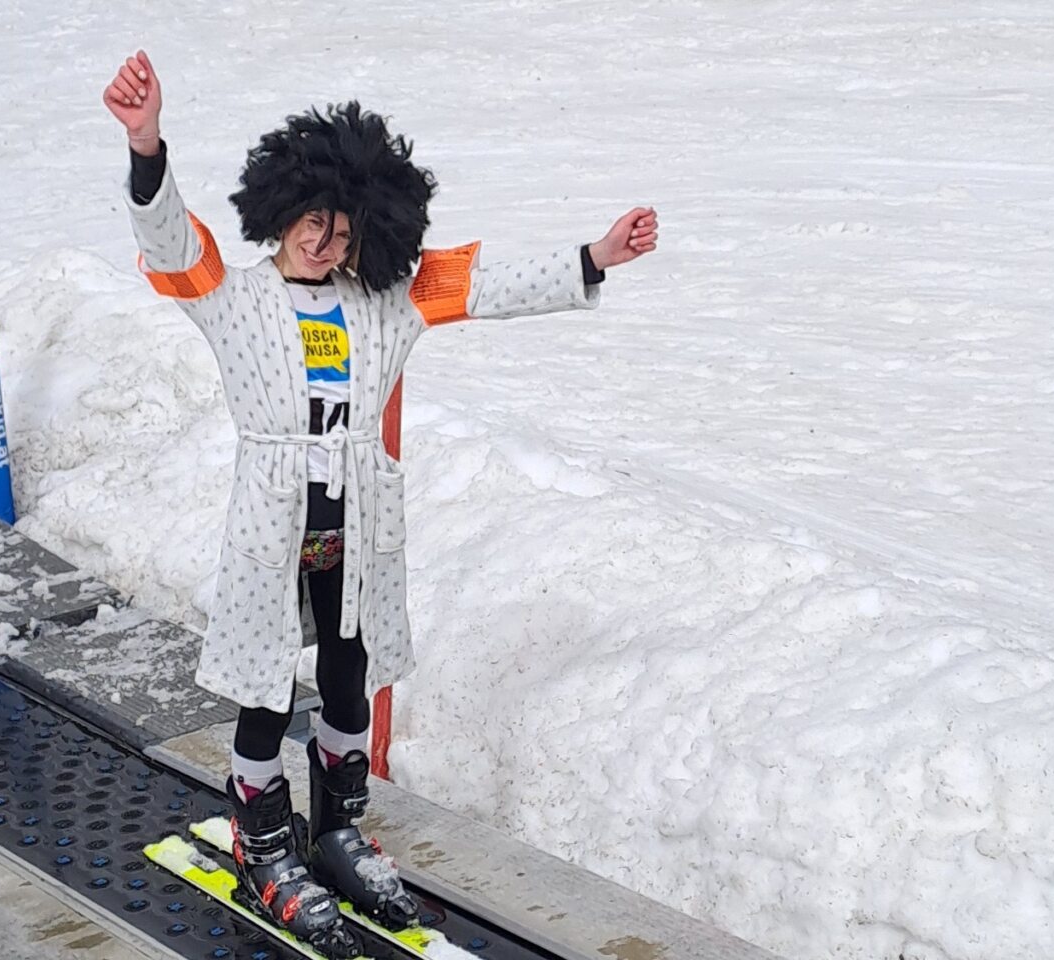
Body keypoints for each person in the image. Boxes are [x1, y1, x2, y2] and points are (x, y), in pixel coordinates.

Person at [102, 50, 657, 954]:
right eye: (309, 223)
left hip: (358, 524)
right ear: (279, 215)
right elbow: (170, 240)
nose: (323, 243)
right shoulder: (233, 297)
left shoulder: (385, 303)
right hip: (274, 522)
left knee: (349, 674)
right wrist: (145, 141)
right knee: (264, 688)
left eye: (343, 231)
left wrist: (597, 255)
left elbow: (485, 286)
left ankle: (336, 832)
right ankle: (261, 841)